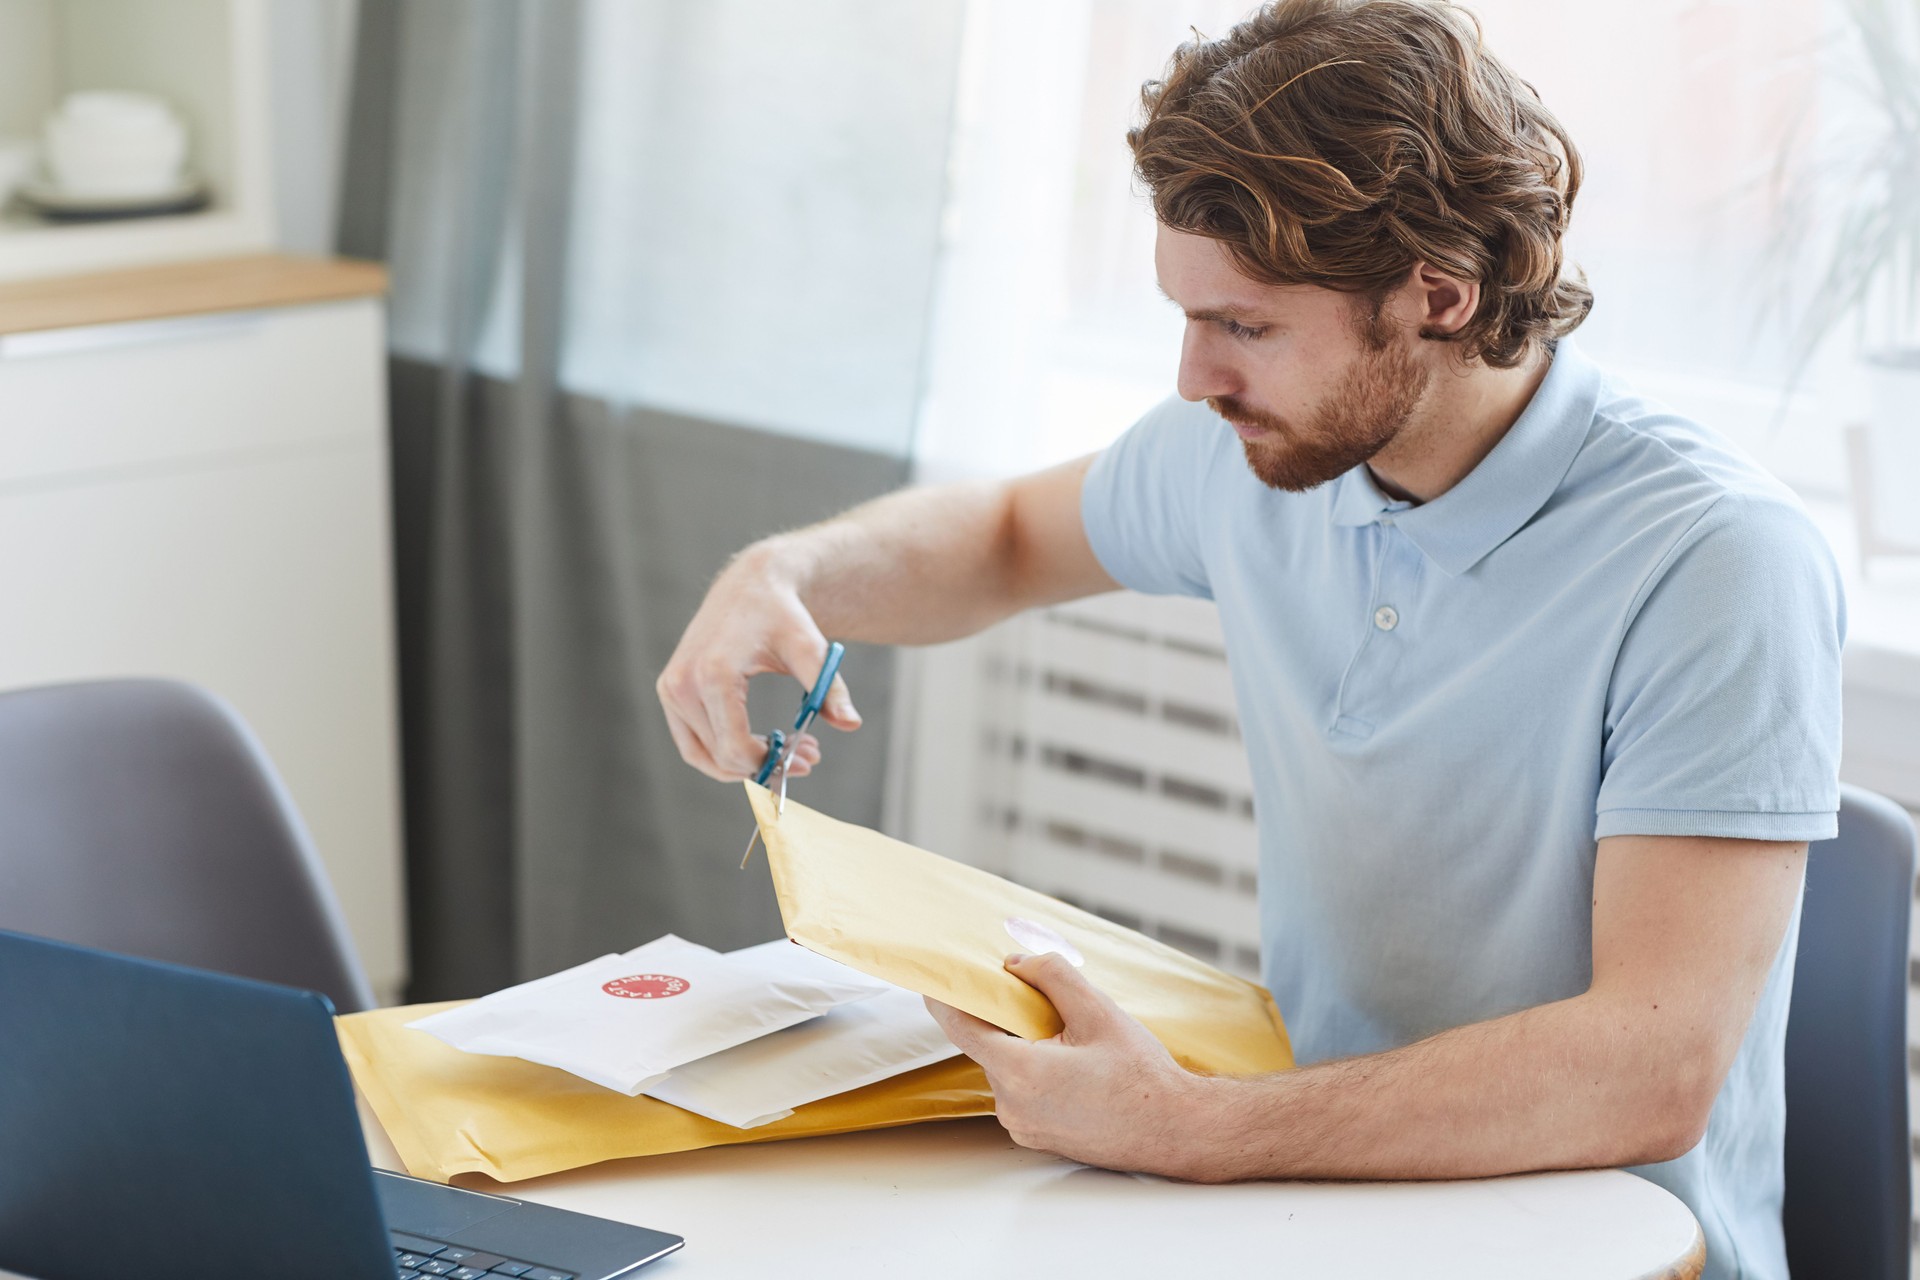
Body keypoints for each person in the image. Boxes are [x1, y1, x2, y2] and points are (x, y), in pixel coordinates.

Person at [655, 3, 1843, 1276]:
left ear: (1439, 295)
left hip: (1602, 1247)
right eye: (1186, 315)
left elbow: (1648, 1068)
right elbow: (1001, 538)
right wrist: (786, 573)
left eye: (1245, 326)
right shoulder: (1256, 449)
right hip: (1306, 1201)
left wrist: (1192, 1126)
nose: (1194, 378)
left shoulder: (1715, 559)